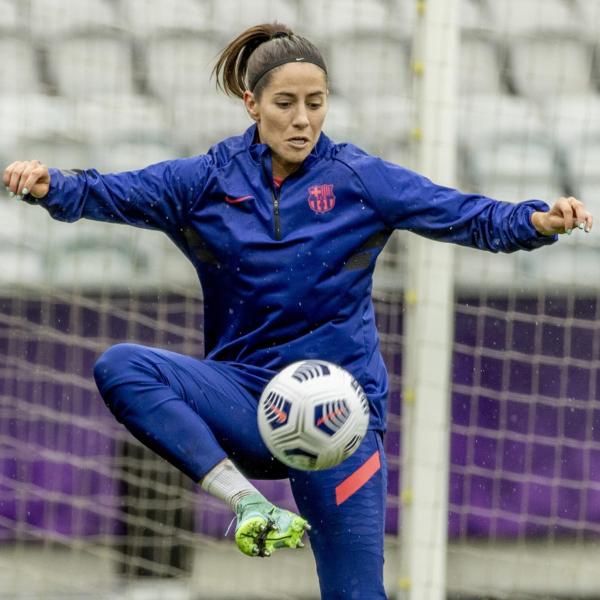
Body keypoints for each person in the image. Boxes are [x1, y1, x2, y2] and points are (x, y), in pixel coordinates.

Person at [2, 22, 593, 600]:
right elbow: (109, 191)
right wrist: (49, 184)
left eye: (316, 102)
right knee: (123, 364)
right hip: (248, 407)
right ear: (252, 104)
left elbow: (465, 213)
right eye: (286, 103)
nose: (303, 119)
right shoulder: (206, 180)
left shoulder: (361, 179)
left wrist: (537, 221)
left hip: (342, 423)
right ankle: (248, 505)